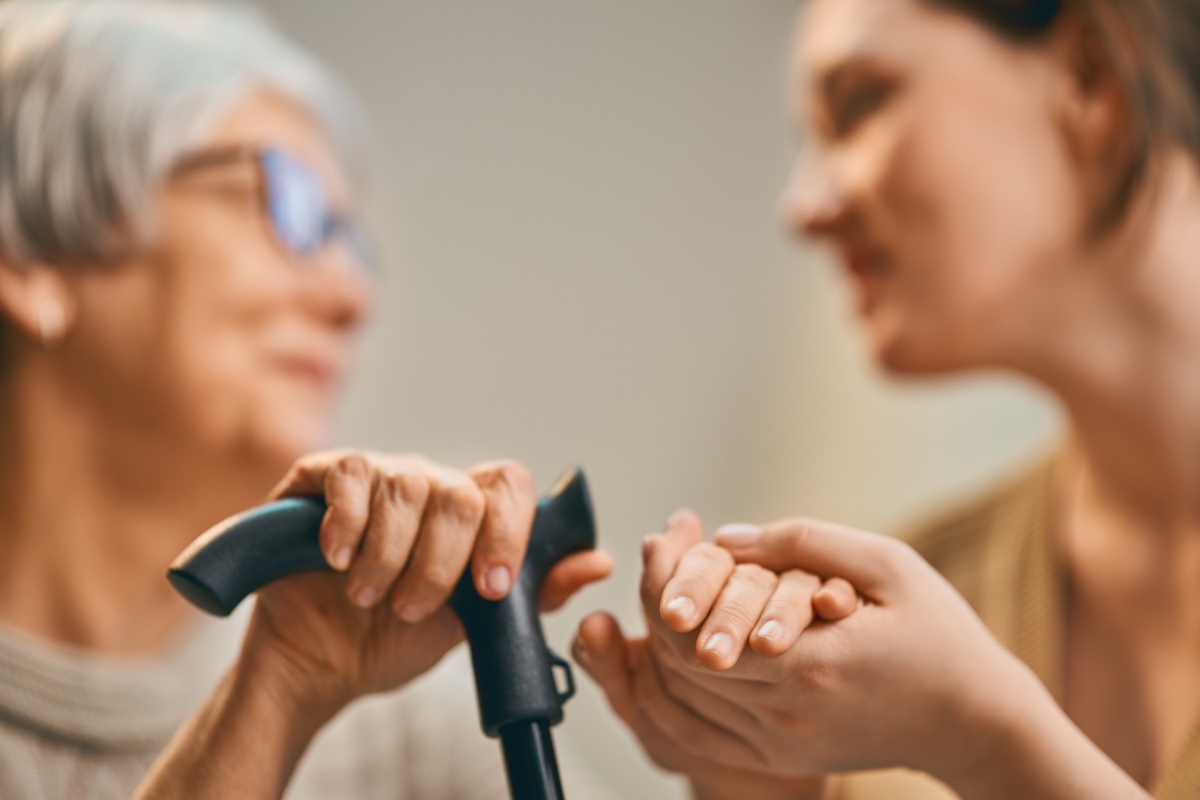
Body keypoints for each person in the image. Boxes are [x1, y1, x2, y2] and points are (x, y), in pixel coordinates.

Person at [574, 0, 1200, 798]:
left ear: (1087, 78)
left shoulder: (940, 686)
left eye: (861, 103)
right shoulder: (926, 611)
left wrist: (986, 744)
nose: (803, 210)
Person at [0, 2, 615, 798]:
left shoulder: (389, 708)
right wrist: (271, 701)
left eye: (348, 239)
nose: (354, 296)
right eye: (288, 207)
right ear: (33, 257)